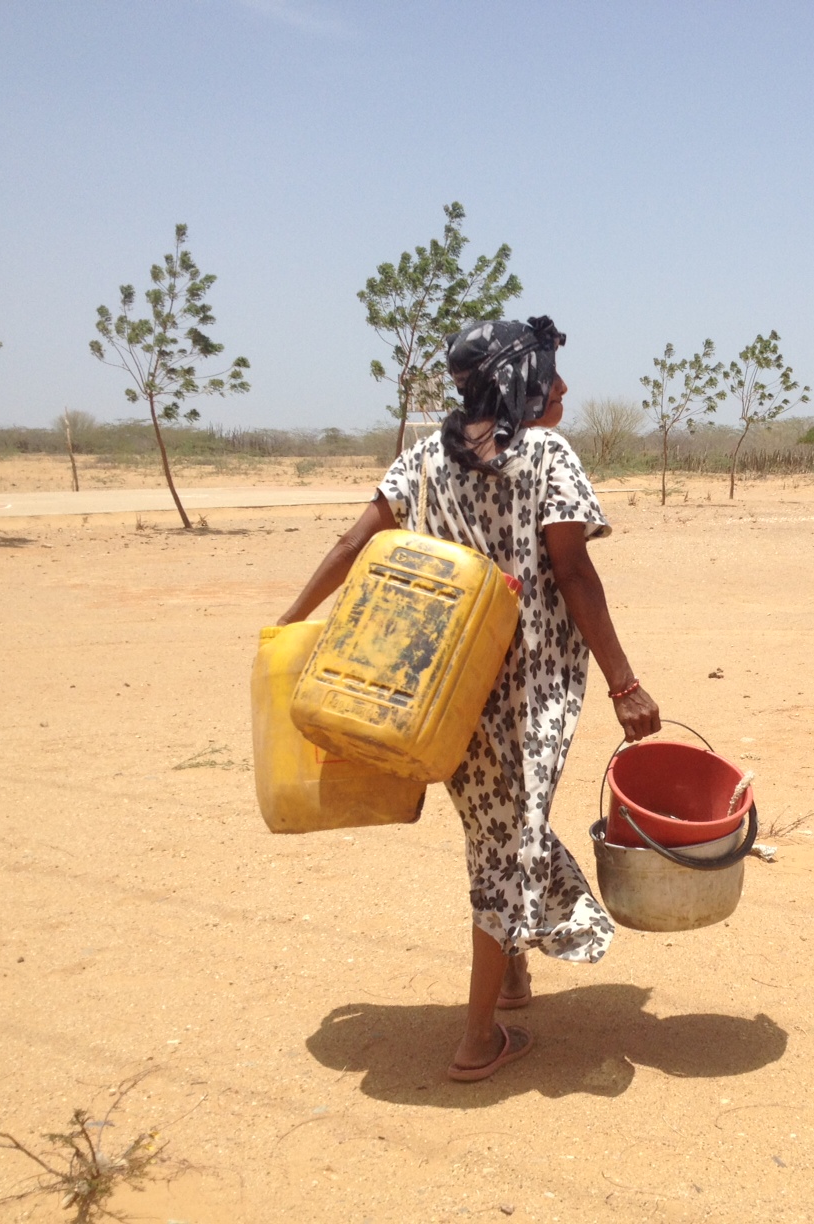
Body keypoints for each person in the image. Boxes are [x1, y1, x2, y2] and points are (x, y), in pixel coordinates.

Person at [276, 316, 660, 1081]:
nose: (563, 388)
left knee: (497, 831)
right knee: (508, 840)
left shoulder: (422, 461)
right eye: (550, 375)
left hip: (441, 695)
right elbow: (575, 575)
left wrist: (285, 627)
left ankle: (512, 973)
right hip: (529, 691)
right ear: (519, 382)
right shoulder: (547, 455)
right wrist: (624, 682)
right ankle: (476, 1038)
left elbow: (352, 549)